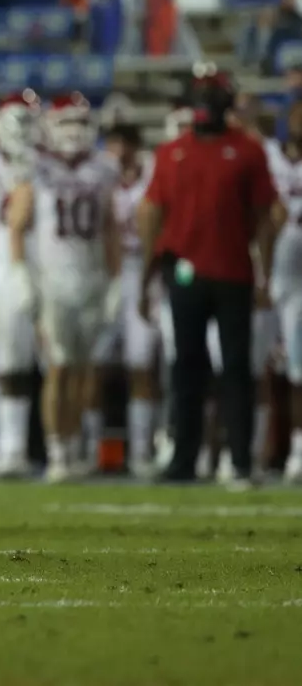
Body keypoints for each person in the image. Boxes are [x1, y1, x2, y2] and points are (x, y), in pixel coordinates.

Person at [137, 69, 276, 488]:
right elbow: (152, 213)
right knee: (186, 369)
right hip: (184, 273)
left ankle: (239, 461)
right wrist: (147, 273)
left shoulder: (248, 151)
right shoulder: (171, 152)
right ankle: (184, 459)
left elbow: (265, 215)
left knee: (235, 369)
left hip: (233, 271)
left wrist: (263, 272)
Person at [9, 94, 119, 481]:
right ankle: (57, 452)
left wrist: (115, 280)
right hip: (54, 283)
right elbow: (17, 225)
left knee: (82, 371)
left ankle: (74, 448)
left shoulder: (103, 169)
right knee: (58, 369)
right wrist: (23, 276)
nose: (74, 131)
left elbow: (109, 228)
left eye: (79, 121)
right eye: (66, 122)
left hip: (91, 280)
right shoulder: (36, 169)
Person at [0, 90, 42, 477]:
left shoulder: (47, 164)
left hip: (48, 265)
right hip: (3, 271)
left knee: (61, 364)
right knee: (8, 362)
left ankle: (64, 448)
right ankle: (10, 445)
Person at [100, 123, 163, 477]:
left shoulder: (151, 177)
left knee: (141, 363)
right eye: (113, 142)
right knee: (94, 365)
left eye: (125, 142)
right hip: (106, 272)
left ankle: (141, 451)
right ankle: (86, 448)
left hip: (141, 268)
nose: (119, 150)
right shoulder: (96, 178)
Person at [262, 101, 302, 484]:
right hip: (273, 277)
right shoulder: (269, 158)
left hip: (298, 284)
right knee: (258, 365)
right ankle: (259, 449)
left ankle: (297, 449)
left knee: (298, 371)